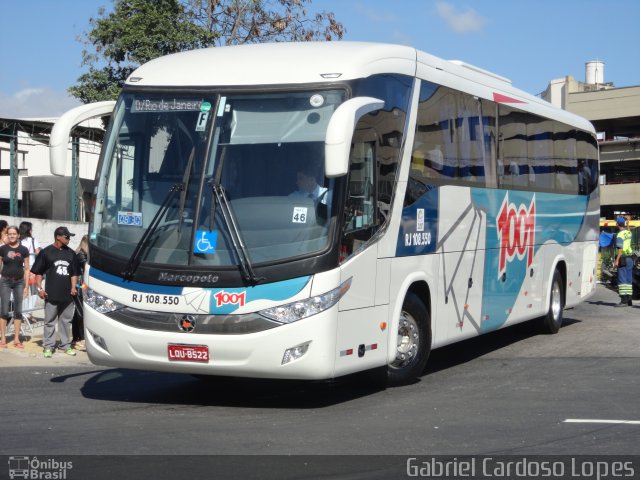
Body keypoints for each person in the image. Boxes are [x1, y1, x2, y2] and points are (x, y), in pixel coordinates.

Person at [31, 226, 79, 357]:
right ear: (58, 237)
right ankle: (48, 346)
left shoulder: (71, 253)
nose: (69, 239)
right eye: (66, 237)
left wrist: (73, 287)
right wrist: (39, 288)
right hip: (51, 294)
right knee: (50, 321)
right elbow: (38, 272)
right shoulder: (46, 252)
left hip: (68, 296)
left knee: (65, 321)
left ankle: (65, 345)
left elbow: (75, 273)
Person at [0, 226, 30, 349]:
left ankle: (17, 338)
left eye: (14, 234)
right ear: (7, 235)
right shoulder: (2, 249)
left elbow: (27, 269)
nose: (12, 236)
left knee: (18, 311)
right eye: (9, 234)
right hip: (5, 281)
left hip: (19, 282)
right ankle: (3, 338)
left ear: (18, 235)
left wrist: (26, 286)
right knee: (4, 310)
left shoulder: (24, 250)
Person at [19, 221, 41, 320]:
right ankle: (28, 313)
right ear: (29, 230)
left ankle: (23, 312)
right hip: (31, 269)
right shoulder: (32, 240)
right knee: (33, 291)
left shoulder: (18, 241)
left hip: (20, 268)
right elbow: (38, 252)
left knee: (23, 290)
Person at [72, 235, 89, 350]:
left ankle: (77, 338)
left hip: (82, 285)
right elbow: (86, 268)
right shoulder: (81, 254)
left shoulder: (81, 253)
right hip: (79, 286)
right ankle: (79, 338)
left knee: (78, 313)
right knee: (80, 312)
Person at [614, 215, 633, 307]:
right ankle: (629, 300)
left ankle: (623, 301)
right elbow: (628, 229)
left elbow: (620, 249)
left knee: (622, 280)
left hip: (623, 259)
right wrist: (628, 222)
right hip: (630, 259)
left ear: (617, 224)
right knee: (628, 279)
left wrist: (617, 260)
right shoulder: (628, 233)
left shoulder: (620, 235)